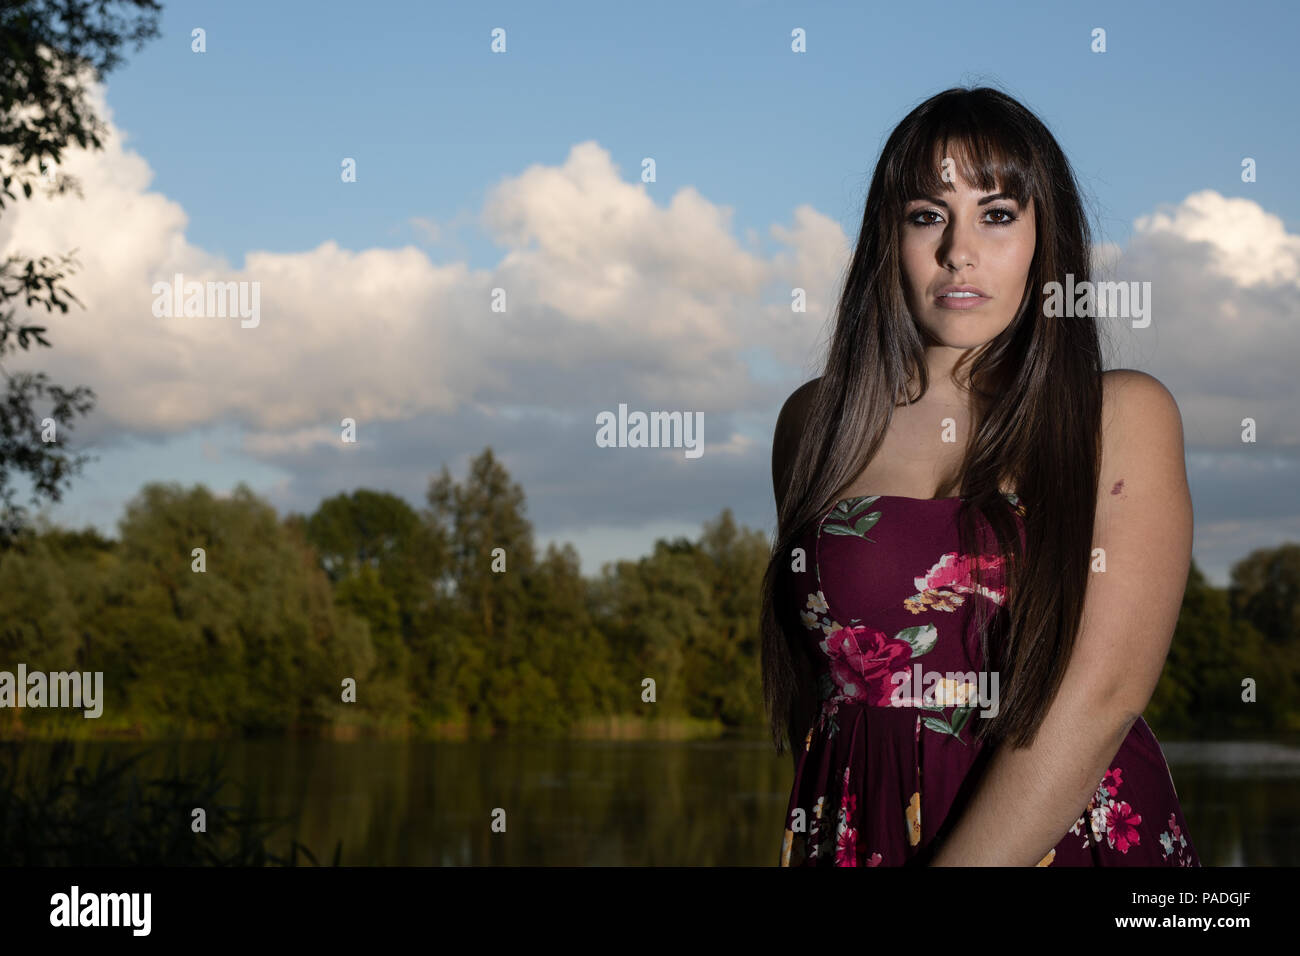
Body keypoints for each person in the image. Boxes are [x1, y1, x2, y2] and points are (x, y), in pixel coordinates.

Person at [762, 86, 1200, 867]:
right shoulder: (814, 423)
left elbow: (1100, 698)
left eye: (997, 215)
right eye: (927, 215)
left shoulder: (1121, 415)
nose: (958, 249)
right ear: (887, 238)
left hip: (1061, 839)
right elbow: (814, 692)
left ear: (1044, 239)